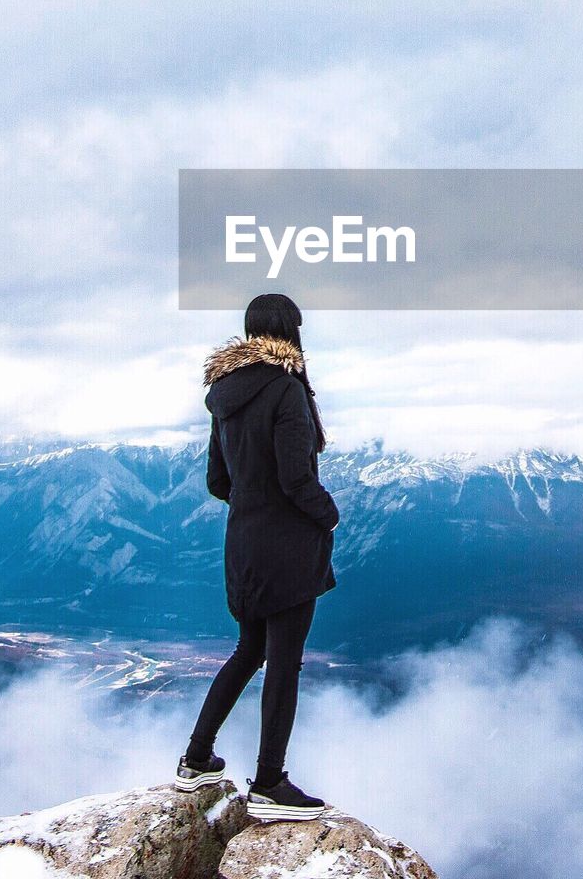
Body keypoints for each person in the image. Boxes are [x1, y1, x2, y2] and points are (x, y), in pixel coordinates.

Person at [174, 293, 340, 822]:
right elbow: (297, 479)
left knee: (250, 651)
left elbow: (217, 481)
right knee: (283, 663)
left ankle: (197, 757)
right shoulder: (287, 391)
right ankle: (269, 782)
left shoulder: (225, 395)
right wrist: (328, 513)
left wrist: (254, 504)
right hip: (288, 550)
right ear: (288, 330)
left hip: (243, 546)